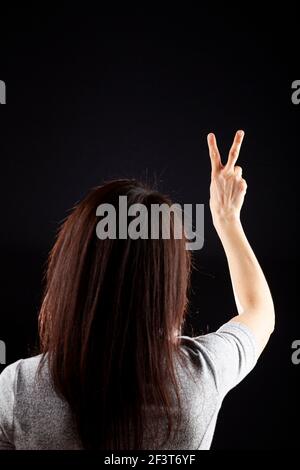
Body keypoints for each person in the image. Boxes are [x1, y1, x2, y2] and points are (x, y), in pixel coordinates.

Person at [0, 131, 275, 450]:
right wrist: (227, 219)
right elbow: (260, 313)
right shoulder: (202, 376)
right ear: (166, 288)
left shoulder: (17, 390)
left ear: (69, 271)